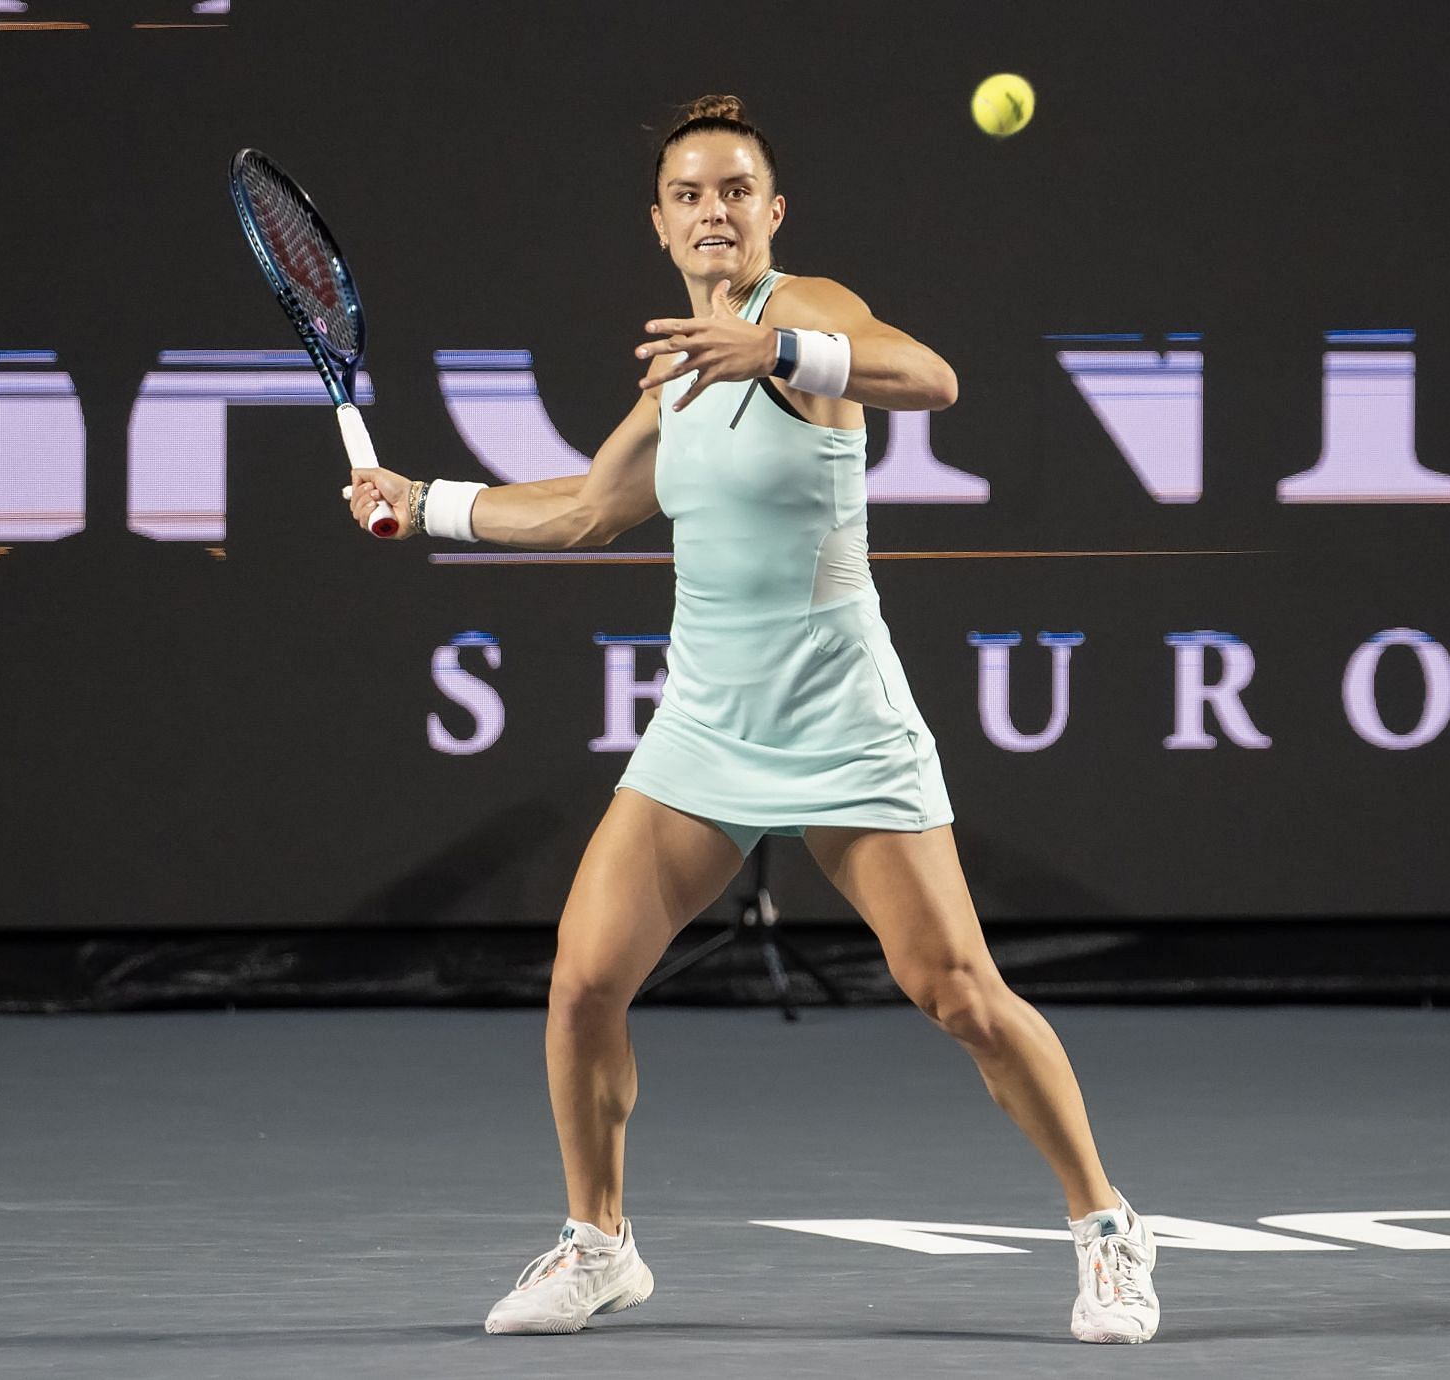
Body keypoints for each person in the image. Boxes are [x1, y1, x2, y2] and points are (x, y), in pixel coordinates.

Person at [344, 95, 1160, 1345]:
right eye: (689, 194)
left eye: (736, 191)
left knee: (960, 994)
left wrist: (778, 353)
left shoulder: (806, 312)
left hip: (842, 720)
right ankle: (598, 1244)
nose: (713, 211)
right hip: (705, 732)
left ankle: (1107, 1230)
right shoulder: (680, 366)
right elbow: (584, 511)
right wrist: (430, 501)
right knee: (580, 985)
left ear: (771, 215)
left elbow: (931, 378)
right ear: (661, 224)